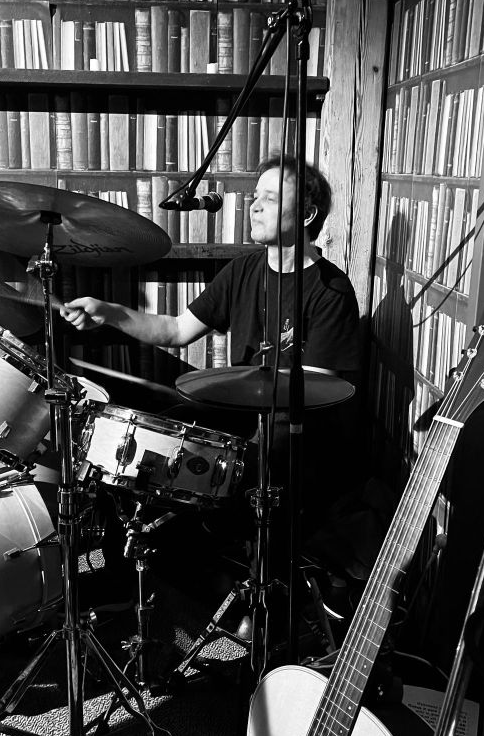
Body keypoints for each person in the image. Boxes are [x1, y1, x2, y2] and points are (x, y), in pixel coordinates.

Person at [61, 155, 365, 608]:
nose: (254, 206)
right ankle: (126, 575)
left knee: (251, 465)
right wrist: (109, 312)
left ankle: (242, 594)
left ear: (305, 215)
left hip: (294, 441)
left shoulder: (330, 291)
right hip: (237, 421)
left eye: (270, 198)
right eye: (255, 196)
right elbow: (175, 331)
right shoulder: (243, 271)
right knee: (141, 441)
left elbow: (319, 389)